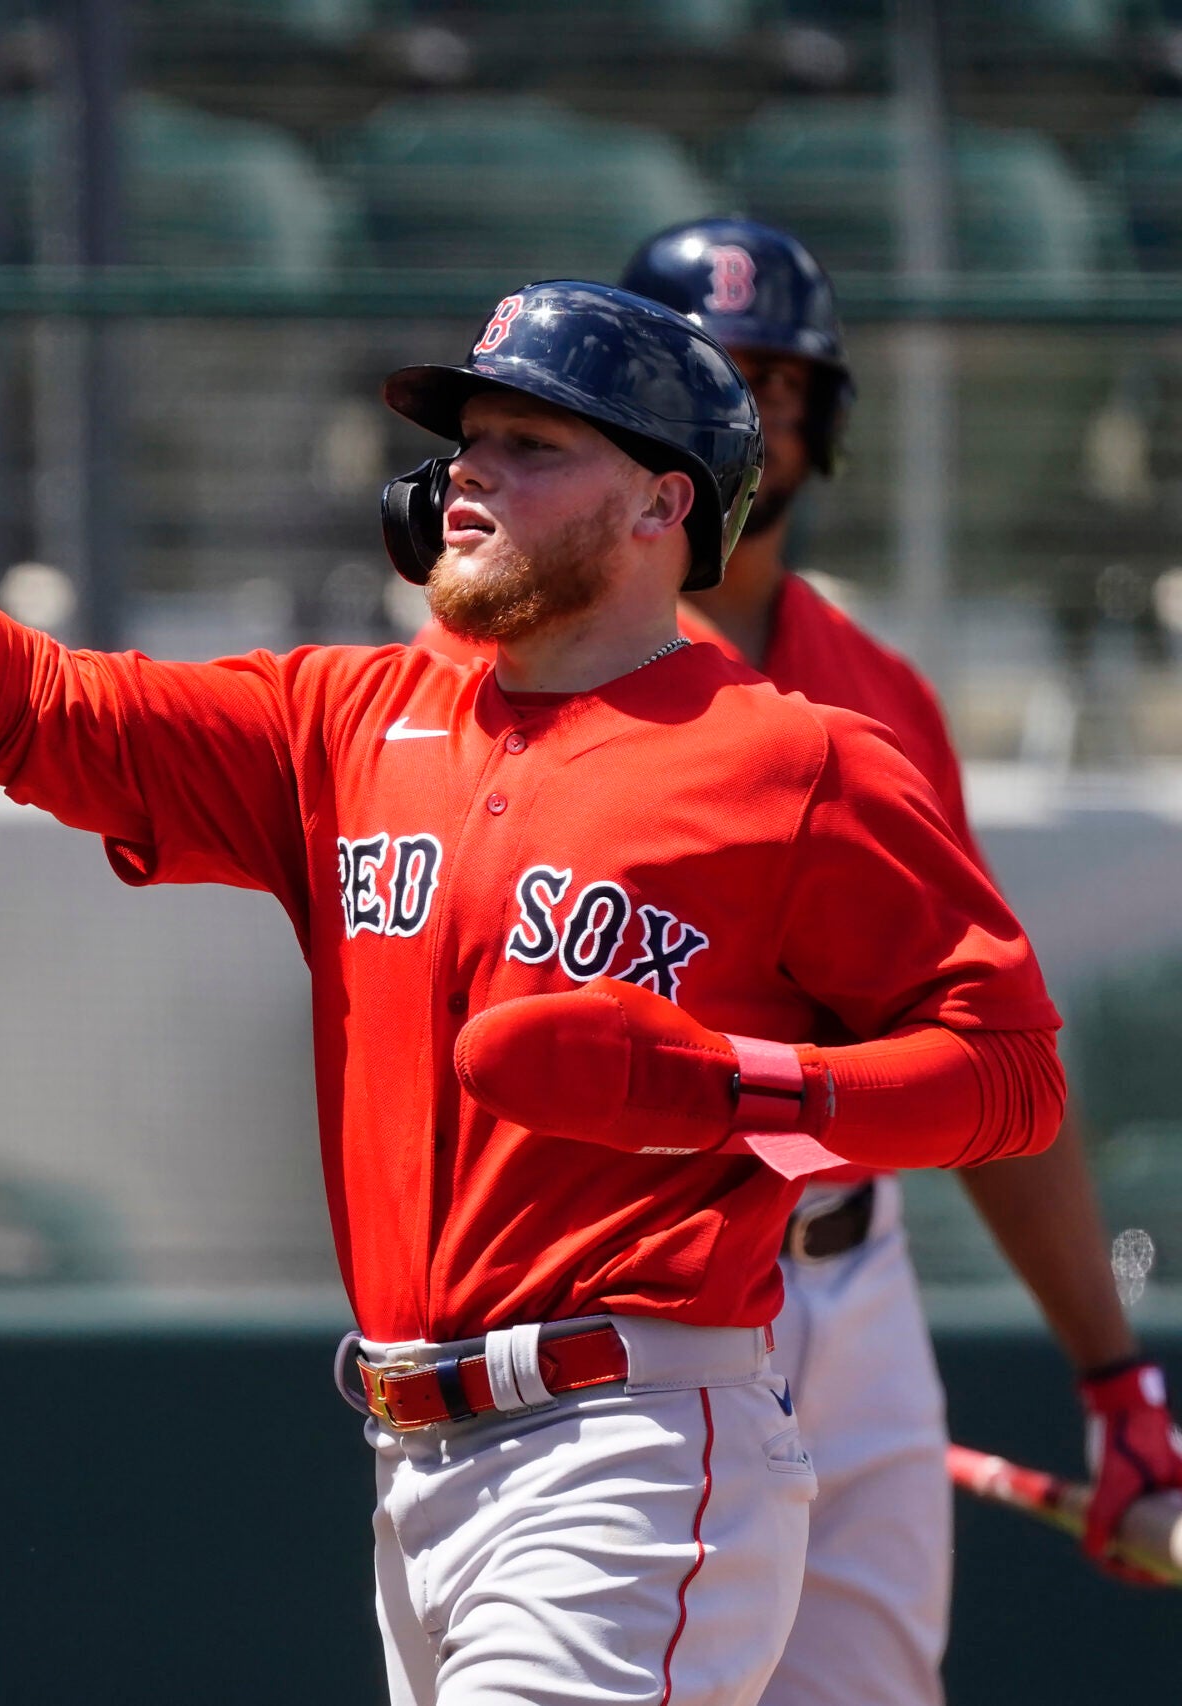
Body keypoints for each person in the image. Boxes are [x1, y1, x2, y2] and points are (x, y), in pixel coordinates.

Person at [0, 275, 1067, 1704]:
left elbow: (1011, 1075)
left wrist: (744, 1095)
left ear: (662, 505)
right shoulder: (345, 721)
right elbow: (37, 704)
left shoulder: (795, 760)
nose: (470, 473)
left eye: (532, 443)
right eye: (469, 438)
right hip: (410, 1455)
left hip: (632, 1438)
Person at [417, 217, 1182, 1703]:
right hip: (619, 1316)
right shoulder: (489, 670)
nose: (754, 401)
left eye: (782, 379)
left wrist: (1111, 1368)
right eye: (715, 369)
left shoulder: (878, 694)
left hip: (846, 1271)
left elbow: (990, 1048)